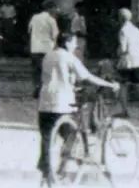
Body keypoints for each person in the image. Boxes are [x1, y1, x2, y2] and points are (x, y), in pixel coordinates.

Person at [37, 32, 119, 186]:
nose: (76, 46)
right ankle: (62, 173)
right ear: (67, 43)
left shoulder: (48, 56)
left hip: (45, 102)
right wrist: (109, 85)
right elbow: (87, 76)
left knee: (47, 139)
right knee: (71, 138)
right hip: (62, 104)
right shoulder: (69, 57)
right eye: (74, 43)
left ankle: (46, 174)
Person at [116, 7, 139, 118]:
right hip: (138, 61)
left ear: (121, 18)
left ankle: (124, 111)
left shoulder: (123, 30)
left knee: (123, 86)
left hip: (127, 62)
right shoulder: (137, 30)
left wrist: (118, 52)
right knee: (138, 86)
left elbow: (123, 49)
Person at [29, 0, 60, 99]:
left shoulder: (34, 17)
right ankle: (44, 89)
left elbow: (29, 30)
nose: (56, 10)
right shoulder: (51, 20)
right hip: (47, 48)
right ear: (50, 8)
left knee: (37, 70)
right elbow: (55, 35)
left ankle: (37, 86)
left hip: (35, 48)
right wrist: (55, 46)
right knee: (48, 70)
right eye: (54, 8)